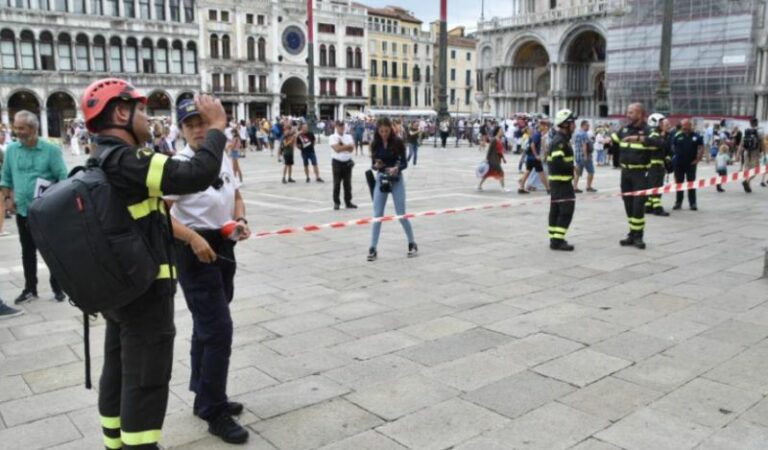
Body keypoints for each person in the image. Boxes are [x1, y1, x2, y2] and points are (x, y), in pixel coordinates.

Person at [81, 78, 227, 450]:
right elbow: (196, 174)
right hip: (144, 293)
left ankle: (115, 443)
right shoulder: (127, 159)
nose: (148, 119)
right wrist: (217, 129)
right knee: (146, 380)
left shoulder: (99, 155)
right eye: (142, 110)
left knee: (116, 370)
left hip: (121, 290)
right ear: (121, 112)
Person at [165, 99, 251, 444]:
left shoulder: (221, 158)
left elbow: (237, 196)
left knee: (208, 327)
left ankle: (205, 394)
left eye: (203, 123)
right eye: (190, 125)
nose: (199, 130)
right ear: (182, 131)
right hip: (194, 253)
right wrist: (192, 238)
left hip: (223, 246)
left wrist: (240, 220)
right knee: (218, 330)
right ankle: (214, 410)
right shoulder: (179, 165)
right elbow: (161, 216)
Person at [1, 110, 68, 304]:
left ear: (33, 128)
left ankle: (58, 287)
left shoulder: (51, 150)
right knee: (27, 251)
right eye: (15, 127)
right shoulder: (12, 150)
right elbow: (5, 176)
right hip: (22, 210)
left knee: (52, 250)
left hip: (45, 212)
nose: (17, 131)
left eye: (21, 128)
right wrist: (8, 198)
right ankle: (30, 288)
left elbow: (63, 179)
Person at [611, 103, 664, 249]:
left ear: (640, 114)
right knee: (628, 204)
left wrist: (639, 139)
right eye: (628, 112)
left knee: (638, 206)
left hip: (640, 174)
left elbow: (660, 143)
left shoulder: (649, 130)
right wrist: (607, 142)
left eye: (631, 112)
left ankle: (638, 236)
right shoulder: (625, 128)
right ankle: (632, 234)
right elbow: (613, 140)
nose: (628, 115)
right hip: (625, 174)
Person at [367, 117, 417, 262]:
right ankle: (373, 247)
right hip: (381, 177)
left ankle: (412, 243)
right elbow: (373, 164)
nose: (384, 134)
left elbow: (404, 163)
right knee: (377, 214)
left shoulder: (398, 142)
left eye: (386, 131)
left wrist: (397, 168)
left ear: (391, 129)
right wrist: (376, 166)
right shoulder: (375, 143)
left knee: (401, 214)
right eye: (381, 131)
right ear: (377, 130)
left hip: (396, 179)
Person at [547, 109, 578, 251]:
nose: (574, 125)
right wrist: (571, 167)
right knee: (566, 211)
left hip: (558, 182)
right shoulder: (560, 141)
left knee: (556, 210)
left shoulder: (562, 139)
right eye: (572, 123)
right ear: (565, 124)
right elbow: (556, 162)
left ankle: (555, 239)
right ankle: (558, 240)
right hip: (562, 183)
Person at [671, 118, 704, 210]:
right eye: (683, 127)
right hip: (679, 164)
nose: (684, 128)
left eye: (686, 126)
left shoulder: (696, 136)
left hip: (691, 164)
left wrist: (698, 159)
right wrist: (676, 156)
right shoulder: (677, 135)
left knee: (691, 184)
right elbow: (673, 146)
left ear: (690, 126)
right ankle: (678, 202)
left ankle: (692, 203)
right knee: (679, 184)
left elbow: (701, 147)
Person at [644, 113, 671, 216]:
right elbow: (659, 146)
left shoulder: (657, 134)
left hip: (657, 165)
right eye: (661, 122)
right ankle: (657, 208)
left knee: (652, 186)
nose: (663, 125)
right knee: (657, 186)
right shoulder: (654, 135)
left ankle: (648, 205)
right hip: (655, 165)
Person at [329, 121, 357, 210]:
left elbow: (351, 149)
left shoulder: (348, 136)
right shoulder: (332, 137)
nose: (341, 128)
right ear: (336, 127)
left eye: (342, 126)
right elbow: (337, 149)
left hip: (347, 162)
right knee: (337, 183)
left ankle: (348, 202)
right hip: (337, 162)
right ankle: (336, 203)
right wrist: (347, 146)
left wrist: (342, 145)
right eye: (340, 126)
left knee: (347, 184)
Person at [518, 119, 550, 194]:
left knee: (528, 171)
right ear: (541, 126)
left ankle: (521, 186)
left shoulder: (537, 133)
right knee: (541, 173)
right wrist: (537, 155)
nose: (546, 128)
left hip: (530, 157)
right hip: (534, 158)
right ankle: (548, 189)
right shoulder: (537, 134)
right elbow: (532, 145)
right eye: (545, 126)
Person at [736, 117, 764, 193]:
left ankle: (748, 186)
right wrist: (765, 153)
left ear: (750, 123)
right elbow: (762, 143)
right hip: (755, 153)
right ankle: (746, 181)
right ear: (757, 123)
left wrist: (737, 155)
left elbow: (741, 144)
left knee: (747, 170)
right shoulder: (759, 131)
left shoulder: (746, 131)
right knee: (756, 170)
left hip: (746, 153)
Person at [477, 126, 509, 192]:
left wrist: (503, 158)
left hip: (497, 159)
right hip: (493, 159)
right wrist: (486, 159)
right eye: (501, 130)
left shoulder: (499, 139)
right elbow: (489, 150)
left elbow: (500, 151)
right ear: (498, 131)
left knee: (488, 173)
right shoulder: (494, 140)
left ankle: (479, 186)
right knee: (501, 172)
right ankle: (503, 188)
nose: (502, 131)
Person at [572, 120, 596, 193]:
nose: (588, 127)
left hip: (578, 156)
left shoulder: (577, 133)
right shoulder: (584, 134)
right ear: (583, 126)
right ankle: (588, 186)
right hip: (585, 156)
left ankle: (575, 187)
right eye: (587, 126)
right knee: (591, 171)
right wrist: (585, 156)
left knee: (578, 173)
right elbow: (584, 145)